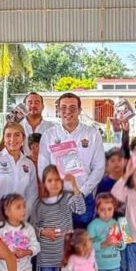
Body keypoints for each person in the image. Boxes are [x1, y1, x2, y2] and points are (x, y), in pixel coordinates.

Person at [38, 93, 105, 229]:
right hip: (56, 199)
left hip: (83, 197)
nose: (68, 111)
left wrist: (82, 192)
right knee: (57, 242)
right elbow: (42, 169)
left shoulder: (92, 134)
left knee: (80, 242)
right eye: (63, 108)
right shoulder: (48, 135)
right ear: (58, 110)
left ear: (80, 110)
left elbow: (99, 167)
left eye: (73, 108)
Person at [0, 123, 39, 221]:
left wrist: (23, 217)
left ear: (23, 138)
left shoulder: (29, 164)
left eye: (17, 135)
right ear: (4, 138)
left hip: (21, 220)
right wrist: (0, 216)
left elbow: (32, 193)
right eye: (8, 135)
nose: (12, 139)